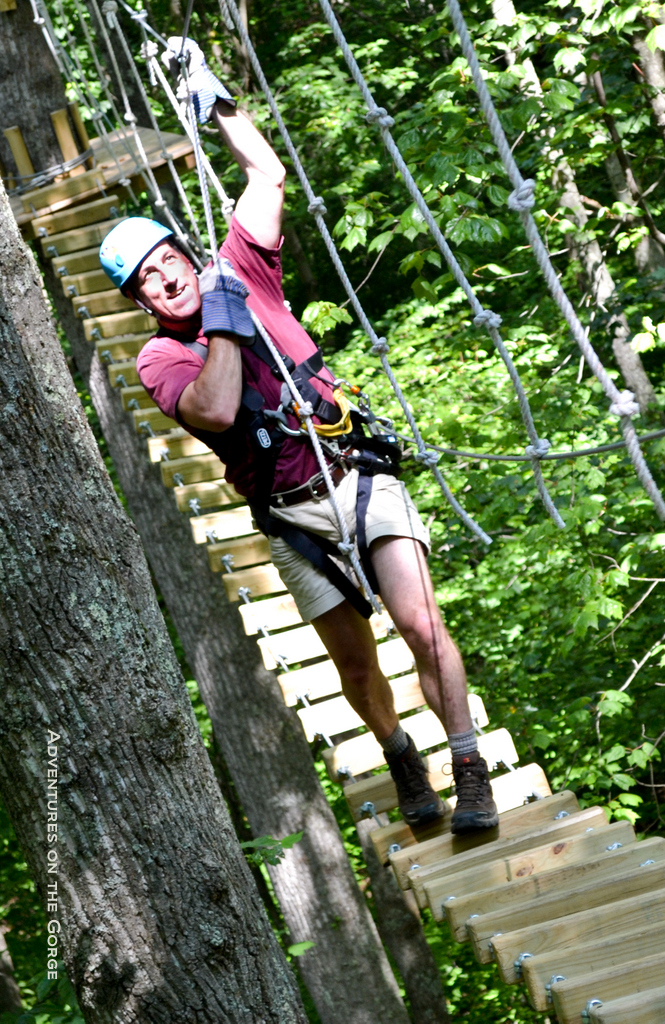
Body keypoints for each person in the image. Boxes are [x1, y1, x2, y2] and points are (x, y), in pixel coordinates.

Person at [99, 39, 498, 836]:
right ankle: (398, 752)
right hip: (290, 514)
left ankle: (467, 764)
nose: (168, 276)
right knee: (355, 663)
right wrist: (221, 324)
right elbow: (213, 410)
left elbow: (266, 175)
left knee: (422, 625)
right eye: (148, 276)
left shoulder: (238, 266)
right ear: (141, 298)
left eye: (169, 258)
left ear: (185, 250)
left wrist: (215, 101)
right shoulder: (162, 355)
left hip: (355, 473)